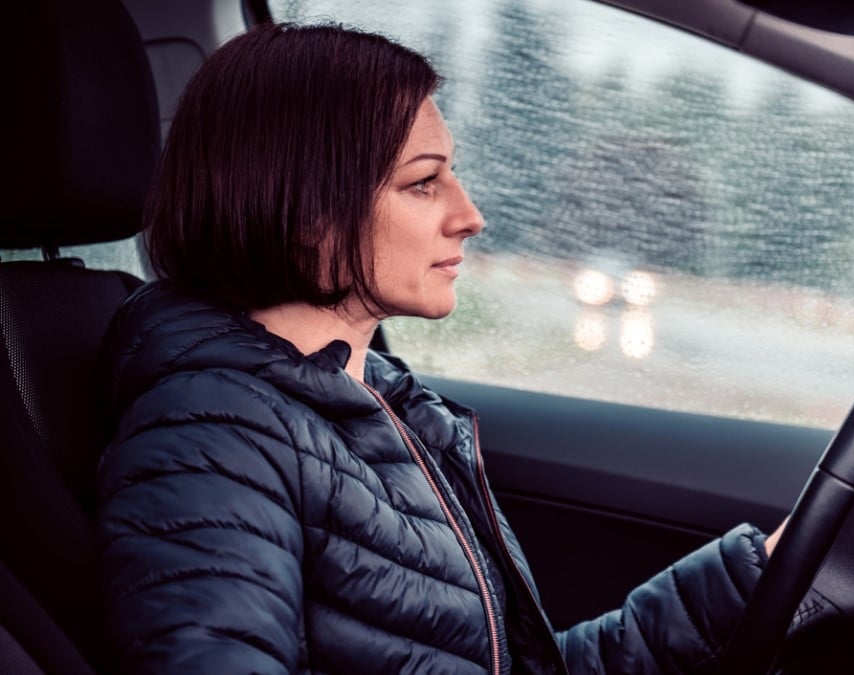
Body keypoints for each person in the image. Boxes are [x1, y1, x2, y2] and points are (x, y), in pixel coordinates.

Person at [96, 22, 783, 674]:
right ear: (308, 212)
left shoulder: (380, 404)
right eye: (424, 182)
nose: (470, 216)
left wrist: (754, 576)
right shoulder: (211, 434)